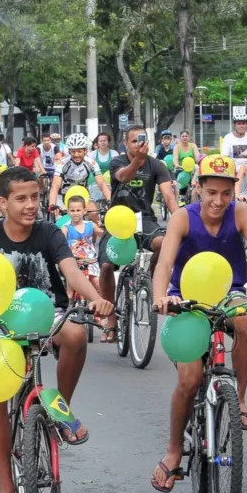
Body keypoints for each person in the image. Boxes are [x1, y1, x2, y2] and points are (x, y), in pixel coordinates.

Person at [0, 166, 112, 493]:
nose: (30, 205)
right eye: (21, 198)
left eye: (35, 197)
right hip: (4, 322)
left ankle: (59, 409)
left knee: (74, 335)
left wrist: (97, 299)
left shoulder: (49, 232)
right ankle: (6, 490)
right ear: (2, 201)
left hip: (48, 315)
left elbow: (71, 273)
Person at [150, 154, 247, 492]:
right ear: (198, 188)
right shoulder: (183, 218)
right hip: (186, 299)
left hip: (228, 294)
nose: (218, 201)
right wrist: (160, 298)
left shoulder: (241, 213)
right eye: (211, 192)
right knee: (190, 378)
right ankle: (173, 451)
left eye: (226, 194)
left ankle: (237, 399)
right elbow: (165, 263)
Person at [98, 125, 179, 342]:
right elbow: (123, 177)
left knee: (163, 243)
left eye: (141, 140)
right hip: (117, 221)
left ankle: (152, 281)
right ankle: (112, 319)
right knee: (106, 266)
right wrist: (137, 161)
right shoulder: (118, 161)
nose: (137, 144)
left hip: (144, 221)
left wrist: (181, 219)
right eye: (133, 141)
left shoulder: (158, 165)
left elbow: (168, 195)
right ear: (126, 144)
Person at [48, 133, 112, 214]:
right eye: (73, 151)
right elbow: (55, 186)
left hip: (84, 196)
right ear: (69, 151)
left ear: (85, 151)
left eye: (79, 151)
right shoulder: (62, 163)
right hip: (66, 196)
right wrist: (52, 204)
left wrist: (109, 200)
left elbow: (102, 184)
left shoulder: (91, 163)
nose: (76, 155)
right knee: (65, 221)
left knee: (94, 214)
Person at [61, 195, 104, 302]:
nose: (75, 213)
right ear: (68, 212)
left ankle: (98, 311)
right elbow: (59, 241)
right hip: (74, 263)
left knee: (98, 286)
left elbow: (102, 234)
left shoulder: (90, 225)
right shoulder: (66, 227)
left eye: (78, 210)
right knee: (70, 291)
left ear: (84, 211)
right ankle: (68, 310)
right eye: (72, 210)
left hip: (91, 262)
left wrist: (109, 230)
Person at [87, 132, 116, 204]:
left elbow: (116, 168)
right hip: (94, 183)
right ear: (97, 143)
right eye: (101, 141)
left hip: (110, 182)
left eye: (105, 141)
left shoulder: (114, 153)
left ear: (108, 142)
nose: (103, 142)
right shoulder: (92, 154)